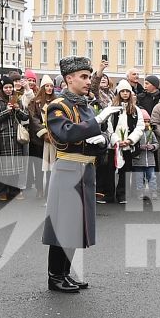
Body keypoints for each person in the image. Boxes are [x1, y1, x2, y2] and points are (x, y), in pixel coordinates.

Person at [43, 57, 104, 291]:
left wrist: (102, 140)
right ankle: (54, 276)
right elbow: (66, 133)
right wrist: (96, 124)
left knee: (76, 226)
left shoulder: (84, 105)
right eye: (84, 77)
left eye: (89, 77)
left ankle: (65, 273)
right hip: (68, 169)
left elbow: (90, 138)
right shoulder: (59, 106)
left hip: (85, 169)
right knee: (62, 226)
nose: (89, 81)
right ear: (69, 79)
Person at [0, 79, 30, 202]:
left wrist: (18, 109)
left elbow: (26, 116)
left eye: (10, 87)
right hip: (2, 136)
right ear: (2, 88)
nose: (8, 90)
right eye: (6, 87)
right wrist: (7, 110)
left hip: (15, 136)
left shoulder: (16, 99)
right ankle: (1, 190)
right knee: (3, 165)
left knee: (16, 165)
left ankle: (14, 190)